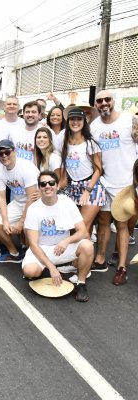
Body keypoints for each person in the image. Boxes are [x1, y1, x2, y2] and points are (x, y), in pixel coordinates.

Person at [22, 171, 93, 302]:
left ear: (58, 186)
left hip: (62, 248)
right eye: (43, 184)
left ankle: (81, 283)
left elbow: (83, 232)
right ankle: (45, 269)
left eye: (51, 183)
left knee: (87, 246)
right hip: (42, 249)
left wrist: (67, 241)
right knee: (30, 271)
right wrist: (51, 268)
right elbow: (33, 244)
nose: (47, 186)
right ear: (39, 188)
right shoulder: (33, 209)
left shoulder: (67, 202)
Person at [90, 90, 137, 284]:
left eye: (107, 99)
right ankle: (100, 259)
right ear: (96, 104)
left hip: (126, 183)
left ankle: (121, 268)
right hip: (104, 182)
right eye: (99, 101)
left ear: (113, 101)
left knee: (122, 224)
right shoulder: (93, 126)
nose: (104, 103)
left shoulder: (129, 120)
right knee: (103, 220)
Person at [59, 108, 105, 235]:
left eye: (79, 119)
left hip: (92, 187)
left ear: (84, 122)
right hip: (73, 187)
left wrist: (87, 191)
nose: (75, 122)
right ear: (68, 121)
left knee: (82, 227)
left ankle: (81, 254)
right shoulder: (64, 142)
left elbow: (98, 170)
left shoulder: (90, 143)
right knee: (77, 228)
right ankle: (84, 254)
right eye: (72, 119)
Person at [0, 139, 39, 263]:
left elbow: (32, 197)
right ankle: (14, 253)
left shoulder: (26, 167)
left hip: (36, 203)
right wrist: (5, 220)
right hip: (18, 203)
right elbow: (1, 197)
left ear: (14, 152)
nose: (4, 156)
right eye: (0, 154)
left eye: (7, 152)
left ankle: (32, 256)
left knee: (27, 232)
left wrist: (21, 222)